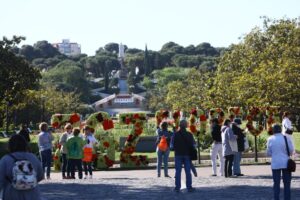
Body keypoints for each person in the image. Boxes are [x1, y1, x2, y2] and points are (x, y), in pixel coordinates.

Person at [0, 134, 44, 200]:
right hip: (32, 194)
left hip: (12, 194)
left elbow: (1, 180)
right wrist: (28, 181)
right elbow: (40, 176)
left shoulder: (5, 160)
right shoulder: (33, 157)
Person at [267, 124, 294, 200]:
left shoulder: (270, 139)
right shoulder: (286, 138)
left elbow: (268, 153)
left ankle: (276, 198)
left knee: (276, 184)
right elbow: (291, 150)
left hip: (275, 163)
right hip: (286, 163)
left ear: (273, 130)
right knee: (287, 184)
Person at [171, 119, 196, 192]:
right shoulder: (189, 134)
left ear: (179, 125)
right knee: (188, 172)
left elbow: (171, 146)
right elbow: (194, 145)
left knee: (178, 172)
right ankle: (189, 187)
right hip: (187, 155)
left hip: (178, 154)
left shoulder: (175, 134)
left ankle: (177, 187)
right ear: (186, 126)